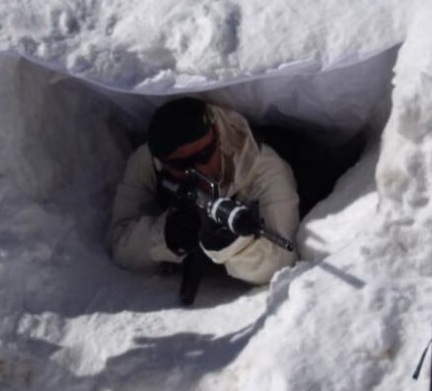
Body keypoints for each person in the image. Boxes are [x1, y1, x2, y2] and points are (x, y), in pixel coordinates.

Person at [109, 97, 298, 288]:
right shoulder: (147, 161)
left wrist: (230, 245)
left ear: (217, 136)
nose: (200, 170)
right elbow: (120, 248)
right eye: (182, 165)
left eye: (205, 155)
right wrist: (165, 235)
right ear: (161, 161)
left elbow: (280, 264)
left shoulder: (262, 168)